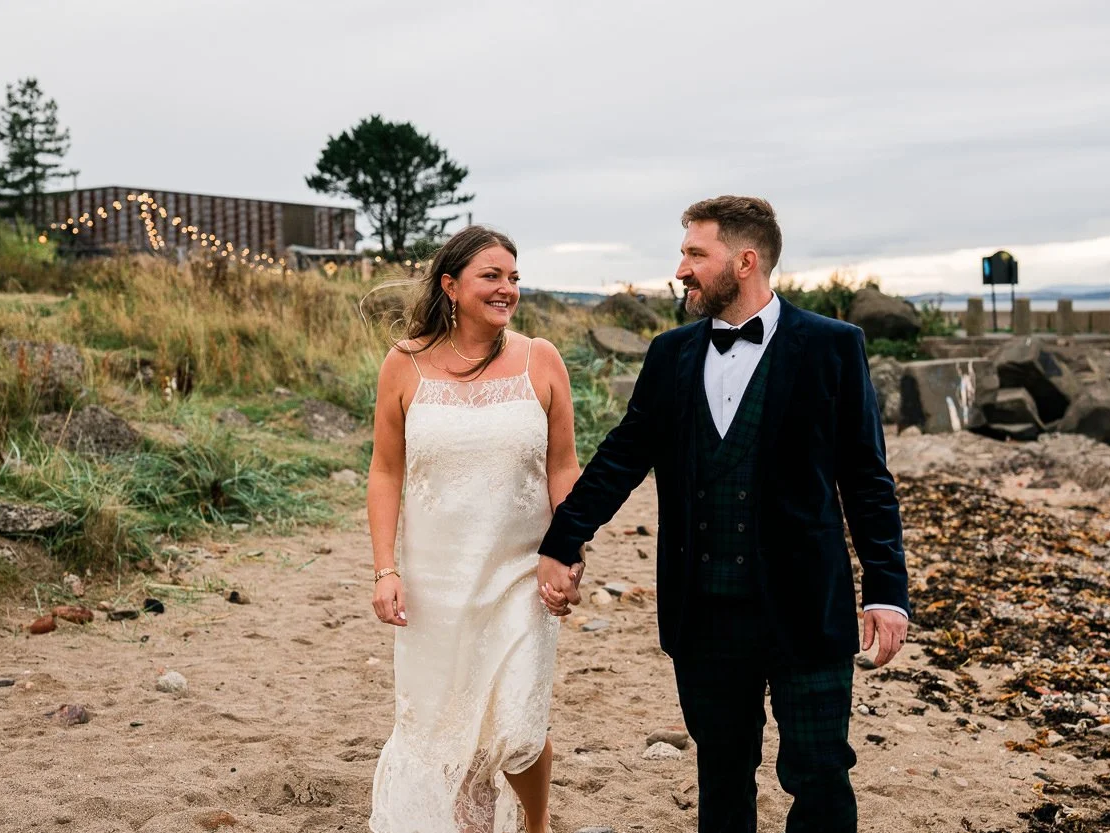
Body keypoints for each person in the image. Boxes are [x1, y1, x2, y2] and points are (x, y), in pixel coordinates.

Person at [538, 196, 910, 833]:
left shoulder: (833, 347)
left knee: (820, 772)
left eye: (694, 254)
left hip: (805, 607)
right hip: (704, 611)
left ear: (744, 261)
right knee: (722, 773)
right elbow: (621, 460)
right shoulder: (670, 354)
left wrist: (887, 590)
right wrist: (562, 540)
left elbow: (867, 478)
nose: (680, 269)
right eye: (683, 252)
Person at [365, 225, 584, 833]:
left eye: (514, 277)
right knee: (445, 721)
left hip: (521, 570)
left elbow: (564, 466)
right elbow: (385, 472)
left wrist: (569, 552)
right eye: (492, 276)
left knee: (517, 720)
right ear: (450, 286)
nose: (507, 289)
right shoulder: (403, 365)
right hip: (435, 580)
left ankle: (535, 825)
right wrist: (386, 570)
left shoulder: (541, 359)